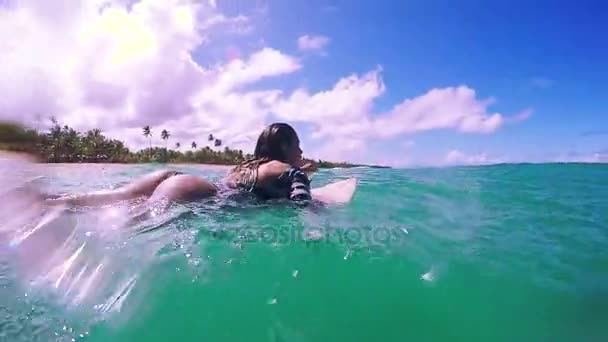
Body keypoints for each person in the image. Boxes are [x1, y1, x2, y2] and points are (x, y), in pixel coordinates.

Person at [45, 123, 317, 208]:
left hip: (178, 178)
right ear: (284, 148)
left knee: (115, 200)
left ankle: (45, 202)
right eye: (297, 145)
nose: (301, 151)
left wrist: (300, 172)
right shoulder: (288, 171)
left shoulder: (249, 166)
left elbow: (262, 181)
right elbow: (303, 205)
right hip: (196, 193)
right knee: (127, 227)